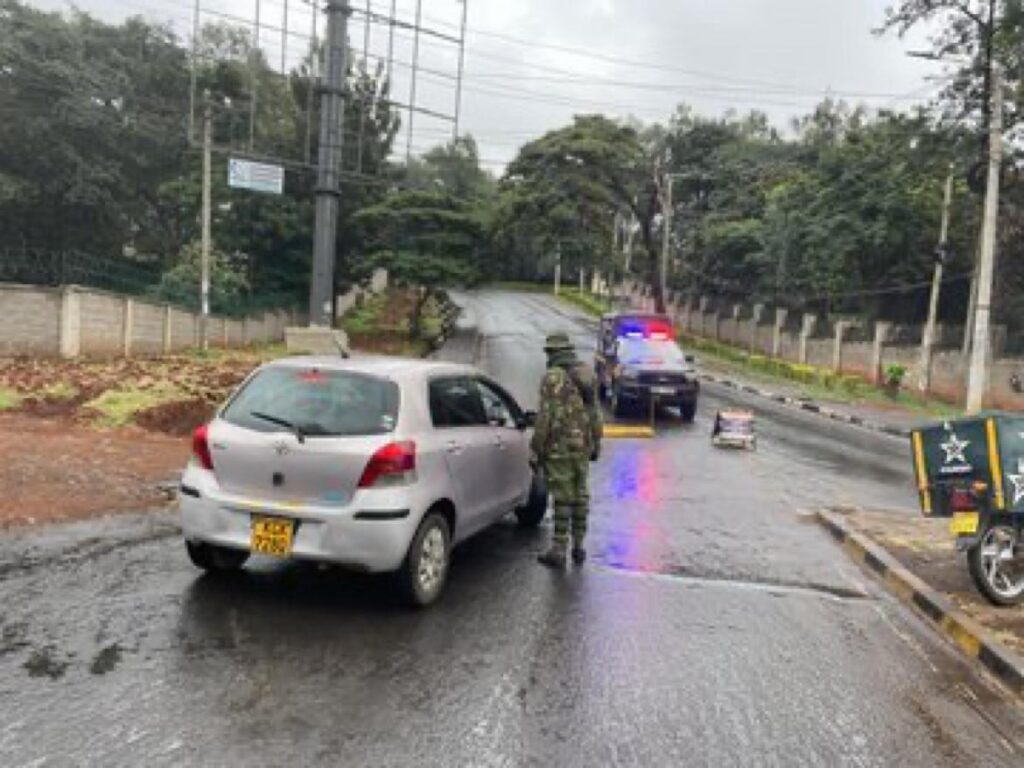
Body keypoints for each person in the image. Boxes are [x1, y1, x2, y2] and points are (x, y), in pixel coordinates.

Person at [531, 332, 603, 568]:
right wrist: (596, 441)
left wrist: (536, 449)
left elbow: (545, 418)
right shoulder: (586, 373)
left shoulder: (552, 378)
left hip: (558, 446)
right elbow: (595, 412)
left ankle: (559, 548)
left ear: (551, 353)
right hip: (582, 444)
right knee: (580, 494)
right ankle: (579, 547)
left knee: (562, 496)